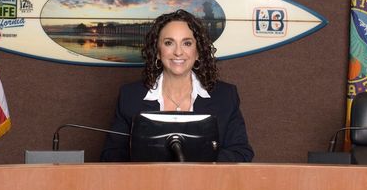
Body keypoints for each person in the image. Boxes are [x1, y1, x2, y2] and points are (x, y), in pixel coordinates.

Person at [101, 9, 254, 163]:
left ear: (198, 51)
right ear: (158, 52)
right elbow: (110, 156)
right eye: (169, 43)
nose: (178, 52)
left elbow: (241, 152)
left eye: (187, 43)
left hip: (208, 186)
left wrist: (199, 158)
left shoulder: (225, 96)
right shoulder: (130, 96)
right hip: (148, 186)